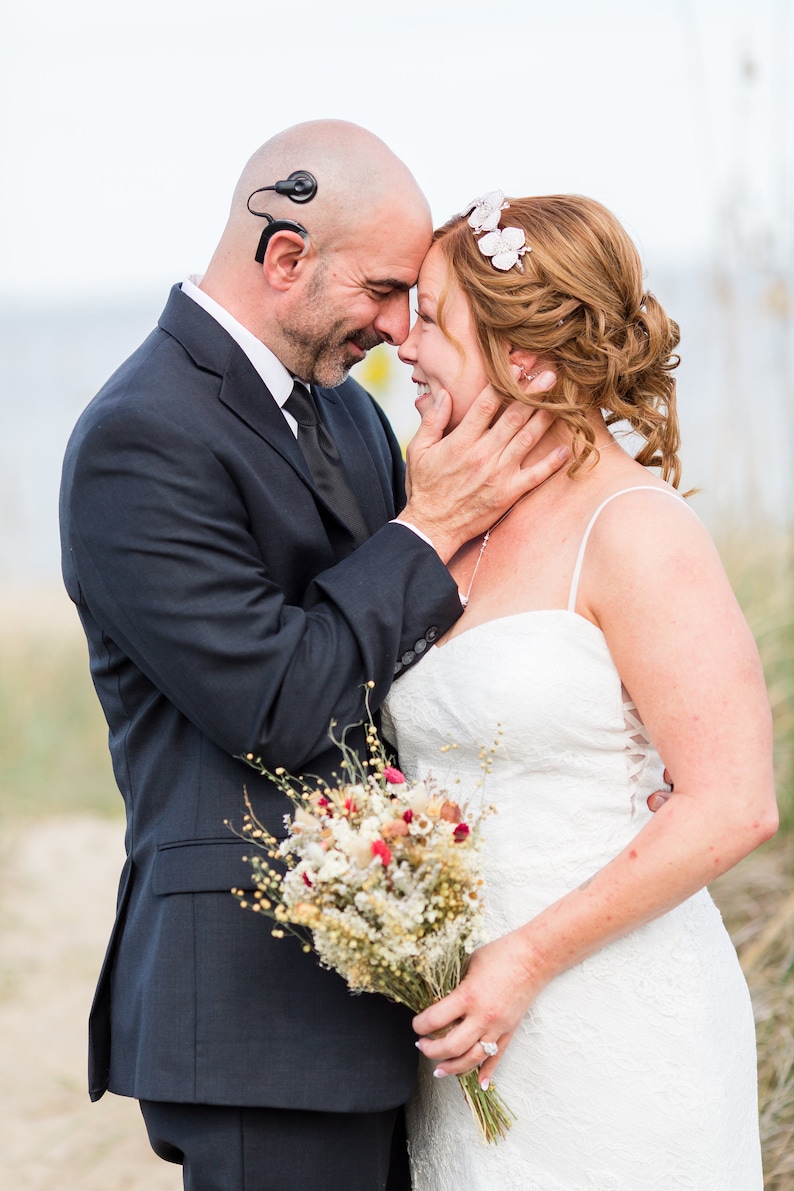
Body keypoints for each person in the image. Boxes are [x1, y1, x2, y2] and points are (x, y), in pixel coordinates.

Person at [58, 124, 569, 1191]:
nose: (397, 329)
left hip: (399, 992)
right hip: (254, 1014)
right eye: (383, 290)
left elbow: (416, 647)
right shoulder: (137, 437)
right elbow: (282, 704)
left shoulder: (345, 408)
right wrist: (426, 529)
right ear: (284, 257)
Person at [383, 191, 778, 1189]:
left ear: (524, 360)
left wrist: (522, 959)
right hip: (465, 1026)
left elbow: (732, 804)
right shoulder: (436, 513)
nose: (403, 339)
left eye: (430, 316)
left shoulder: (635, 531)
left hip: (610, 1014)